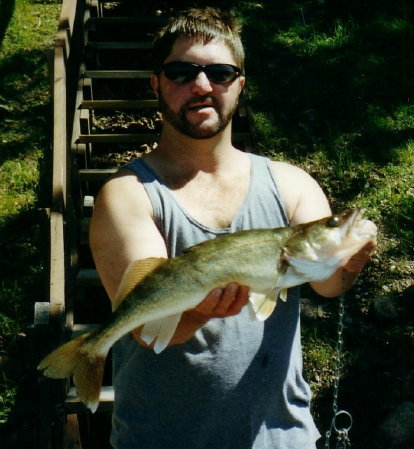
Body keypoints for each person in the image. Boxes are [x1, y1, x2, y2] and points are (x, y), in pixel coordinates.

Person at [89, 7, 375, 449]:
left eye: (220, 73)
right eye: (182, 72)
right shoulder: (127, 194)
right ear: (156, 83)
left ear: (239, 84)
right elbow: (147, 330)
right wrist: (201, 310)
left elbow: (329, 284)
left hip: (283, 438)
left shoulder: (291, 184)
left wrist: (350, 258)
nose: (201, 87)